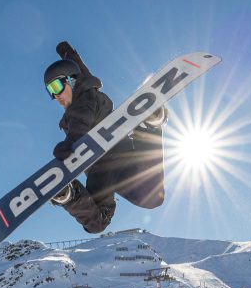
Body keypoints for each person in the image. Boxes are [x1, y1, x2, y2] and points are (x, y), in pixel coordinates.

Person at [45, 41, 168, 233]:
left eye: (56, 86)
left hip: (117, 155)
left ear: (72, 80)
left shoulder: (85, 99)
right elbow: (80, 70)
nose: (55, 96)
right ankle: (70, 195)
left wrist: (70, 143)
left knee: (151, 200)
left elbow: (81, 122)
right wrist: (67, 53)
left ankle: (148, 124)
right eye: (50, 91)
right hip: (103, 170)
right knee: (100, 223)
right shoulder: (73, 111)